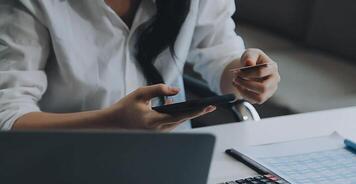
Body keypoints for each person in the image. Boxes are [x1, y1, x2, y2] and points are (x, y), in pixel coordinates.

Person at [0, 0, 280, 131]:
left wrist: (251, 75)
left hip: (171, 160)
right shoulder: (30, 4)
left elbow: (221, 57)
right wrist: (110, 121)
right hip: (64, 163)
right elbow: (9, 117)